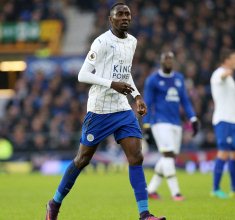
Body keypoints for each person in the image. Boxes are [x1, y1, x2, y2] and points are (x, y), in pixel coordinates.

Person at [45, 3, 166, 220]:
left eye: (127, 14)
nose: (124, 18)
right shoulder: (101, 42)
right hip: (99, 109)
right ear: (111, 19)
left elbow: (125, 74)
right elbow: (83, 74)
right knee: (82, 159)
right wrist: (111, 84)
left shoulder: (132, 42)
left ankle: (145, 214)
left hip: (121, 108)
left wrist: (136, 96)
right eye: (119, 14)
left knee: (136, 156)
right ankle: (54, 203)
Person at [143, 51, 199, 201]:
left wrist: (193, 118)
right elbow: (147, 103)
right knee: (168, 155)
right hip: (160, 122)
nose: (168, 61)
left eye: (170, 59)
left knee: (169, 158)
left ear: (173, 61)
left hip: (176, 123)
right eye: (165, 58)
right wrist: (146, 125)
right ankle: (176, 193)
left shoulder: (179, 78)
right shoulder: (153, 80)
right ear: (161, 61)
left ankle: (151, 190)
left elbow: (185, 101)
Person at [210, 50, 235, 199]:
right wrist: (227, 72)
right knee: (223, 153)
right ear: (225, 60)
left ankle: (233, 188)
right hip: (223, 120)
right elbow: (221, 77)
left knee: (233, 155)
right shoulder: (218, 73)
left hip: (232, 120)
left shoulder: (230, 78)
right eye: (233, 59)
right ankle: (215, 188)